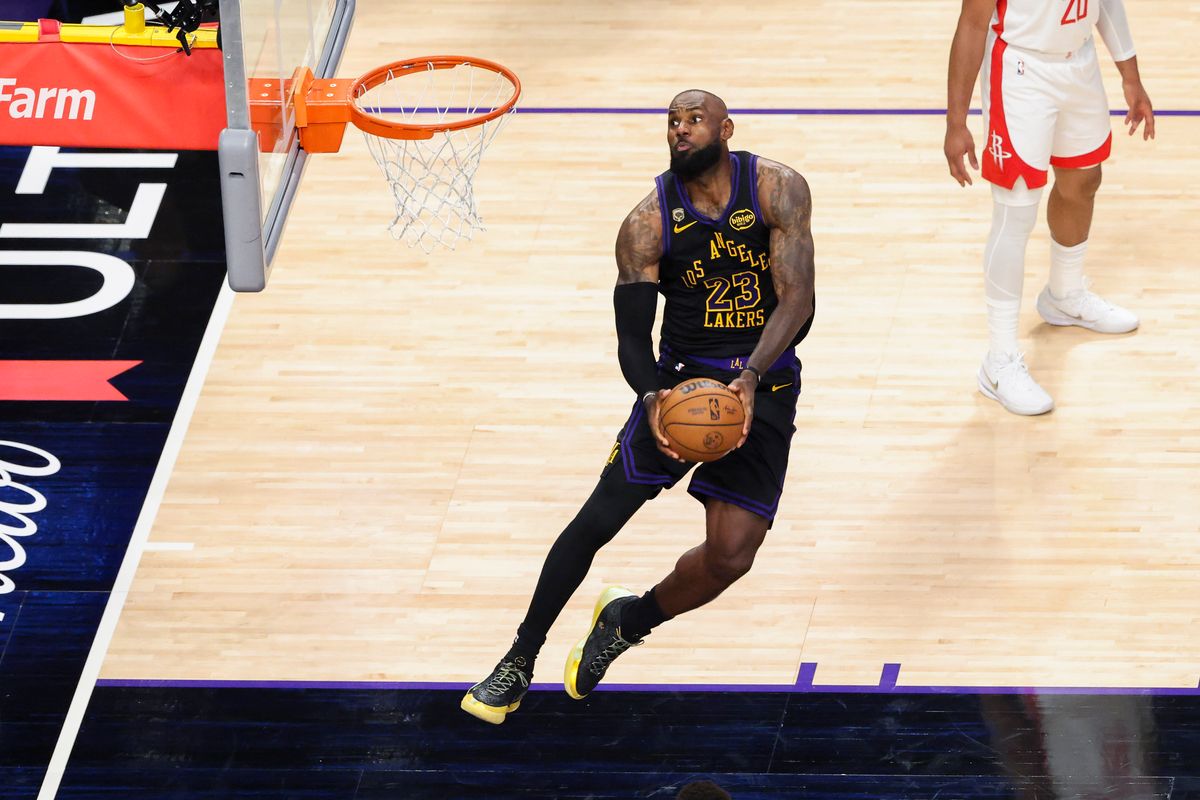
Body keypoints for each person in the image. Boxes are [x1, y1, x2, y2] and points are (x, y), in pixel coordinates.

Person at [460, 89, 816, 724]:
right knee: (595, 520)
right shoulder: (646, 223)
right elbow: (631, 339)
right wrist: (653, 398)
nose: (680, 131)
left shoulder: (776, 189)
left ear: (726, 128)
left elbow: (799, 301)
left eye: (694, 120)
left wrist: (752, 377)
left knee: (733, 556)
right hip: (680, 387)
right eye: (672, 123)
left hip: (764, 384)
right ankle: (519, 657)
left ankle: (627, 620)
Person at [944, 0, 1154, 415]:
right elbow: (971, 24)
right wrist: (956, 122)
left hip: (1080, 65)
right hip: (1022, 72)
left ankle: (1064, 294)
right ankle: (999, 361)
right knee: (1016, 210)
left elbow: (1106, 2)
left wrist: (1130, 76)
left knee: (1083, 181)